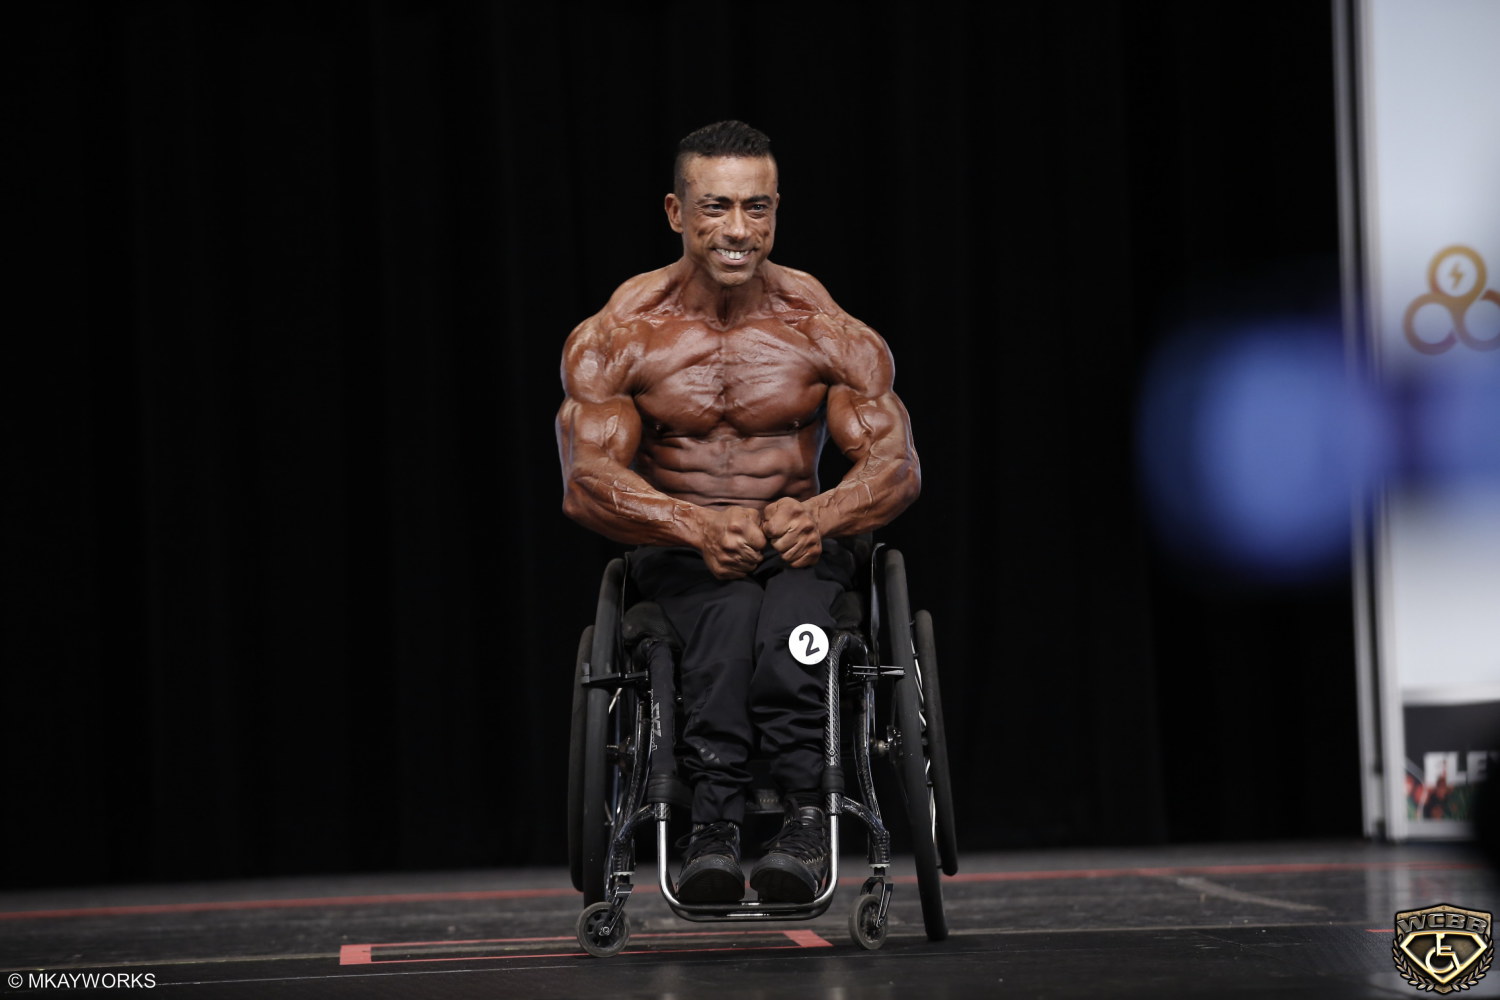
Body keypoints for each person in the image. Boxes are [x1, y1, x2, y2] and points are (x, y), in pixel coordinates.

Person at [555, 120, 920, 905]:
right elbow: (586, 480)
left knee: (792, 632)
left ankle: (802, 823)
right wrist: (693, 525)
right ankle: (712, 828)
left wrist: (823, 515)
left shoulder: (822, 329)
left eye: (757, 207)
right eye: (715, 206)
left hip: (800, 544)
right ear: (675, 212)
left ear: (776, 210)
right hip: (681, 551)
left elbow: (896, 466)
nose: (737, 229)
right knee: (723, 624)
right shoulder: (620, 336)